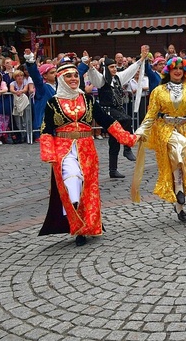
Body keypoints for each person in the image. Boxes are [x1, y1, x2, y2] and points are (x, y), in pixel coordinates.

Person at [38, 61, 138, 246]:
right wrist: (48, 152)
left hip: (87, 148)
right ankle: (76, 221)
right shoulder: (53, 103)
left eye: (76, 75)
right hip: (63, 148)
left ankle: (84, 228)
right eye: (69, 76)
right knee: (72, 179)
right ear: (61, 79)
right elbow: (46, 129)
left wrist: (127, 138)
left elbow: (107, 121)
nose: (74, 79)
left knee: (88, 188)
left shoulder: (88, 100)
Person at [134, 56, 186, 222]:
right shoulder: (158, 91)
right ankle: (179, 189)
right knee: (177, 151)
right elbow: (150, 115)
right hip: (166, 129)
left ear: (185, 71)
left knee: (183, 164)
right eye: (174, 69)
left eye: (181, 69)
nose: (178, 71)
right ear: (168, 71)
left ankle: (179, 207)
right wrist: (139, 132)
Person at [86, 48, 148, 178]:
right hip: (108, 112)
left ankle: (113, 170)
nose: (114, 69)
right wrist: (90, 66)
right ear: (106, 68)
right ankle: (127, 147)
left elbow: (129, 71)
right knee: (127, 119)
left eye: (115, 66)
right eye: (111, 67)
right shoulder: (102, 80)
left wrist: (141, 59)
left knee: (114, 141)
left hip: (118, 110)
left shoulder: (118, 78)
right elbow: (94, 76)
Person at [24, 50, 57, 139]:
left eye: (55, 71)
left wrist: (84, 65)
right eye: (52, 72)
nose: (55, 74)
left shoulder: (60, 87)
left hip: (58, 124)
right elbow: (36, 77)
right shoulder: (42, 88)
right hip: (45, 124)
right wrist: (31, 62)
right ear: (45, 76)